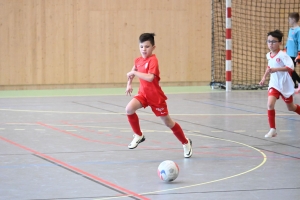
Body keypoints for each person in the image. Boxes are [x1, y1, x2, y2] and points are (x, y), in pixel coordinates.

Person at [125, 33, 192, 158]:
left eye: (147, 46)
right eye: (141, 47)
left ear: (153, 47)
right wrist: (129, 84)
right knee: (129, 109)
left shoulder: (153, 60)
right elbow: (132, 73)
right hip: (143, 95)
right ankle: (138, 135)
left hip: (156, 97)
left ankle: (186, 142)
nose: (144, 49)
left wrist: (134, 72)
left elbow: (150, 78)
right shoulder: (138, 61)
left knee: (168, 122)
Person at [259, 30, 300, 138]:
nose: (270, 44)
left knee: (291, 107)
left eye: (273, 41)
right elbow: (269, 67)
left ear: (280, 43)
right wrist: (264, 78)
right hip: (274, 84)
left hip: (285, 84)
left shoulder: (283, 55)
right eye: (269, 41)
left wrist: (276, 69)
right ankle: (273, 129)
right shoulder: (268, 55)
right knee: (270, 104)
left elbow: (290, 68)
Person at [285, 12, 300, 93]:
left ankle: (297, 83)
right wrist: (285, 48)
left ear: (293, 20)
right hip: (288, 53)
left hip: (294, 53)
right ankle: (294, 85)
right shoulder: (290, 29)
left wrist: (299, 53)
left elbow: (299, 42)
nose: (289, 20)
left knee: (290, 69)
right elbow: (288, 40)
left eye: (290, 19)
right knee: (290, 69)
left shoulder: (298, 30)